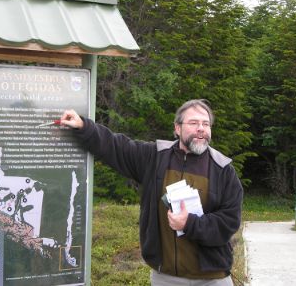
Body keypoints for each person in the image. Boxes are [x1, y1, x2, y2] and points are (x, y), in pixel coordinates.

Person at [60, 99, 242, 286]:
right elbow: (116, 147)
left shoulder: (223, 170)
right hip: (166, 278)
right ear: (177, 128)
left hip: (212, 279)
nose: (201, 128)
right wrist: (84, 127)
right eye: (194, 123)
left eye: (206, 124)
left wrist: (189, 223)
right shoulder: (155, 157)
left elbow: (229, 222)